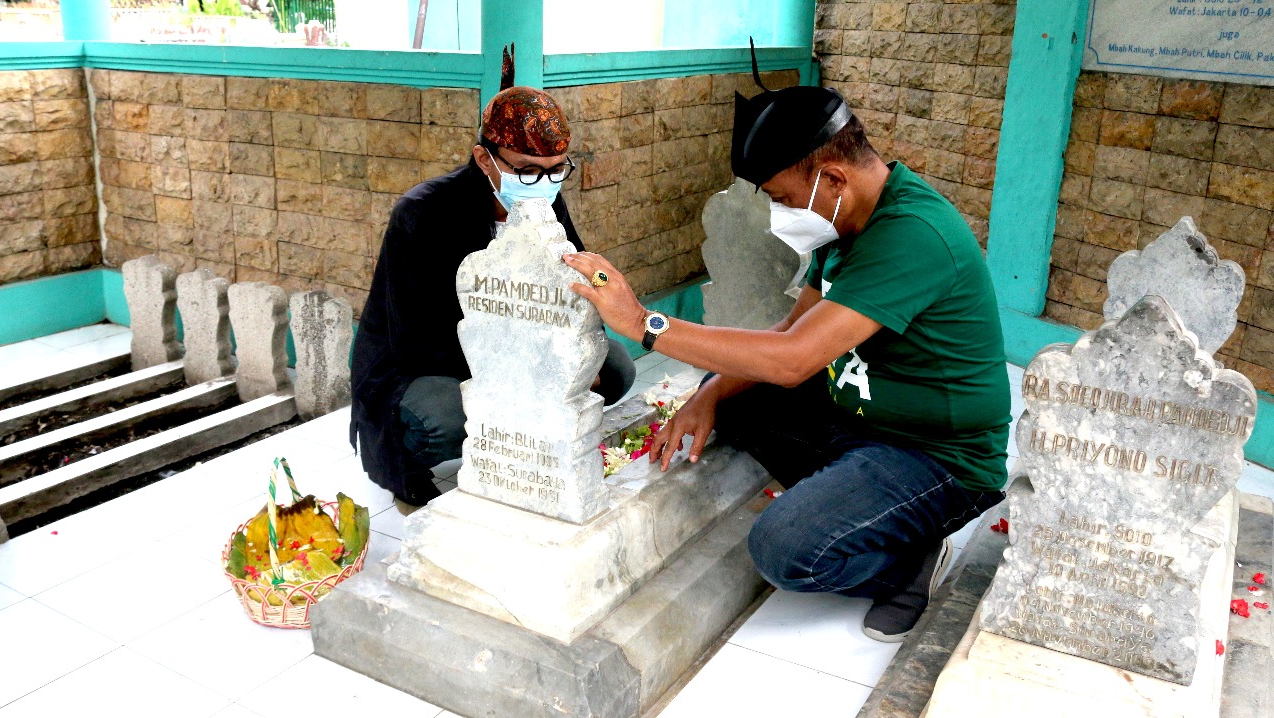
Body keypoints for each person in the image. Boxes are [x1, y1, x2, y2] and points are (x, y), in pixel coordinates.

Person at [562, 69, 1009, 642]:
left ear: (833, 178)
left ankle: (908, 562)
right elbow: (792, 329)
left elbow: (793, 359)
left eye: (782, 199)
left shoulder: (913, 234)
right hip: (859, 419)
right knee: (729, 388)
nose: (780, 214)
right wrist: (708, 394)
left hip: (936, 455)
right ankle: (854, 499)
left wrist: (643, 324)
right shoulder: (848, 217)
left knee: (785, 550)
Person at [350, 47, 636, 514]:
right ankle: (411, 468)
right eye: (527, 170)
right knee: (444, 416)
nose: (544, 183)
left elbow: (574, 281)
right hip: (427, 361)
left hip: (521, 340)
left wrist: (582, 336)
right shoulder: (422, 213)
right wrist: (527, 373)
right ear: (485, 160)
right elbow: (418, 339)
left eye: (557, 170)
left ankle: (528, 446)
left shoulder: (543, 200)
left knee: (615, 368)